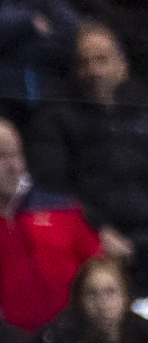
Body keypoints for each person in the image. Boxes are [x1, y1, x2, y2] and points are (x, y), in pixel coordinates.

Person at [0, 114, 114, 332]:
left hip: (70, 339)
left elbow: (100, 273)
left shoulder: (65, 211)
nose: (14, 166)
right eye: (0, 157)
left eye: (17, 154)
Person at [28, 25, 148, 252]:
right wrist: (96, 231)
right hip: (92, 236)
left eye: (102, 60)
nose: (94, 71)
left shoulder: (143, 108)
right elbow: (54, 186)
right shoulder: (55, 117)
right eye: (84, 63)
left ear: (123, 65)